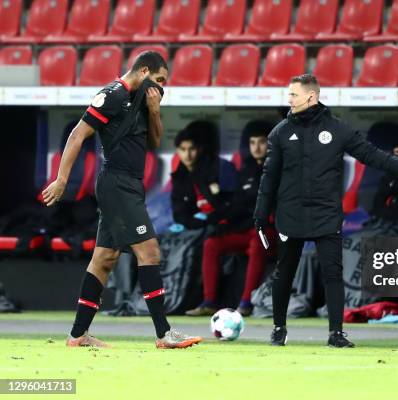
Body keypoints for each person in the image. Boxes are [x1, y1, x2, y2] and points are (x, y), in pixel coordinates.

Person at [253, 74, 398, 348]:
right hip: (291, 214)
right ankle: (279, 329)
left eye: (293, 95)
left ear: (311, 96)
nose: (289, 99)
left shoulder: (338, 129)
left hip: (326, 214)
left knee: (333, 273)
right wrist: (261, 214)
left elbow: (371, 155)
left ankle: (336, 333)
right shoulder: (279, 132)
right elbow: (269, 177)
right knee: (284, 273)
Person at [42, 51, 202, 349]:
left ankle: (78, 335)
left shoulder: (144, 100)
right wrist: (62, 179)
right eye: (159, 80)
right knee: (150, 251)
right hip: (116, 184)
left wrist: (155, 111)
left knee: (104, 259)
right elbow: (78, 135)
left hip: (130, 184)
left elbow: (154, 142)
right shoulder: (113, 95)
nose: (161, 88)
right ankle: (164, 333)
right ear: (143, 71)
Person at [185, 120, 276, 317]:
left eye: (261, 142)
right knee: (212, 243)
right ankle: (209, 301)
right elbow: (237, 206)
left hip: (269, 232)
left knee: (257, 241)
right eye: (252, 143)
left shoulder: (278, 170)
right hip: (246, 230)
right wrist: (222, 224)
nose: (257, 147)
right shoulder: (245, 171)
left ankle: (245, 302)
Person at [170, 126, 228, 231]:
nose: (187, 154)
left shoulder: (217, 169)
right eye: (183, 149)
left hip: (217, 224)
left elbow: (228, 205)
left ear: (200, 149)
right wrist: (193, 223)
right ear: (177, 151)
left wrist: (206, 221)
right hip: (193, 225)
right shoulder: (179, 177)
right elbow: (178, 212)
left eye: (192, 149)